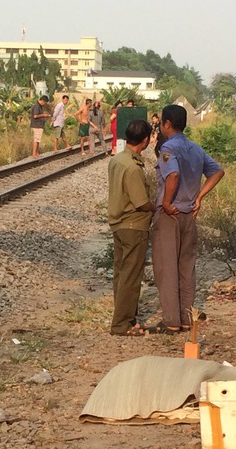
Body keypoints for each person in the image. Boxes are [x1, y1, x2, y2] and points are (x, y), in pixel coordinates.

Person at [150, 105, 225, 333]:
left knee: (167, 267)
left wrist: (165, 202)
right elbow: (217, 172)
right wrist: (200, 196)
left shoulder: (167, 148)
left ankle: (171, 321)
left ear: (167, 124)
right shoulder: (195, 149)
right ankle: (185, 317)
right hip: (189, 214)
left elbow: (172, 174)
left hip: (170, 214)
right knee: (186, 266)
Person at [108, 119, 155, 336]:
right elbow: (141, 202)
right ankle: (121, 324)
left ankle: (127, 317)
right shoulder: (134, 168)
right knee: (131, 275)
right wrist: (158, 207)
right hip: (133, 224)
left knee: (121, 272)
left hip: (118, 222)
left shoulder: (118, 159)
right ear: (145, 141)